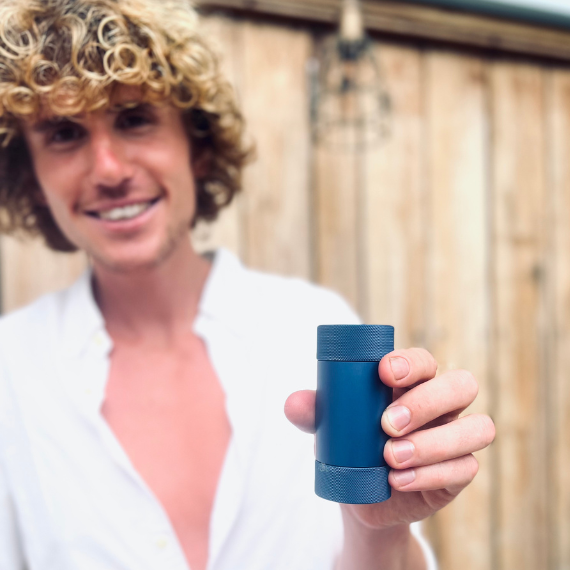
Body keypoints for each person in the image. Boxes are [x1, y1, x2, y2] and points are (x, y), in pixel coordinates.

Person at [0, 1, 495, 569]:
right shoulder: (10, 370)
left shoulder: (311, 326)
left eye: (134, 119)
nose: (109, 169)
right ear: (31, 175)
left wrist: (379, 532)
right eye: (64, 133)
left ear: (198, 144)